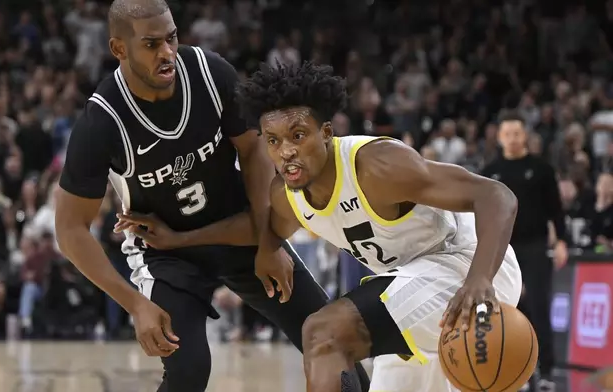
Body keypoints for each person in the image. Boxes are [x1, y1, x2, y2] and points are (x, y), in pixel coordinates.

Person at [118, 62, 523, 392]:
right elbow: (262, 229)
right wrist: (181, 239)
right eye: (273, 141)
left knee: (323, 332)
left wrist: (479, 279)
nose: (286, 150)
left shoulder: (377, 165)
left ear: (326, 134)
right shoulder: (287, 194)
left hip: (470, 266)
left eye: (298, 135)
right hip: (411, 287)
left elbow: (496, 197)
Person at [54, 1, 369, 391]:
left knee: (337, 349)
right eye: (151, 45)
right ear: (119, 49)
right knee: (189, 369)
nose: (167, 53)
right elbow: (70, 229)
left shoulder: (208, 72)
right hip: (167, 254)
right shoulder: (102, 121)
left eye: (171, 38)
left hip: (242, 232)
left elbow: (253, 151)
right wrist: (135, 304)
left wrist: (269, 241)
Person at [481, 111, 567, 391]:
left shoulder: (541, 169)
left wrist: (562, 240)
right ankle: (513, 370)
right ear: (500, 137)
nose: (512, 138)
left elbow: (556, 209)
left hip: (535, 246)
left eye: (517, 133)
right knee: (506, 308)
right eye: (507, 134)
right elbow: (482, 214)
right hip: (503, 249)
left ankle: (546, 371)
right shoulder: (491, 172)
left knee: (540, 306)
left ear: (525, 136)